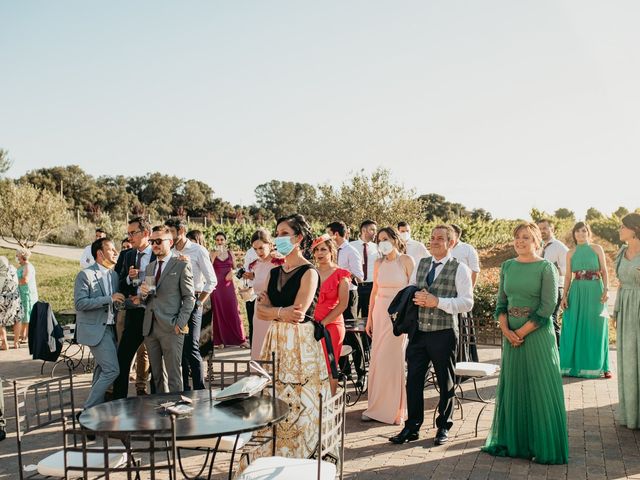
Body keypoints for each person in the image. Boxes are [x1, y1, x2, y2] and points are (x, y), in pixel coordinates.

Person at [482, 222, 568, 464]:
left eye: (526, 237)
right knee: (515, 387)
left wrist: (520, 331)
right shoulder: (507, 266)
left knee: (539, 388)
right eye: (517, 237)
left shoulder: (546, 267)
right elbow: (501, 303)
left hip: (537, 336)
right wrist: (506, 330)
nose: (520, 241)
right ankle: (516, 443)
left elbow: (547, 307)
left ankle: (541, 445)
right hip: (511, 337)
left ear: (536, 241)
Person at [255, 214, 331, 458]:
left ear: (298, 238)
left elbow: (298, 314)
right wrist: (279, 312)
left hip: (301, 344)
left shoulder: (309, 272)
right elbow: (258, 311)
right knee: (273, 397)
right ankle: (274, 455)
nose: (279, 238)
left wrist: (272, 312)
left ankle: (302, 457)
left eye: (284, 233)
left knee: (302, 401)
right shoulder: (274, 273)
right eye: (277, 233)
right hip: (275, 340)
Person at [390, 225, 472, 445]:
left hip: (443, 333)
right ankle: (412, 427)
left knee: (445, 382)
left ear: (451, 243)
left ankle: (443, 426)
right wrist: (415, 295)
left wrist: (438, 302)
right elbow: (411, 287)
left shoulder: (460, 268)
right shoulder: (422, 264)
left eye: (441, 238)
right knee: (413, 381)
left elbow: (468, 302)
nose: (435, 241)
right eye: (432, 237)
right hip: (418, 333)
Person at [363, 227, 414, 424]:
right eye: (379, 239)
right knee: (377, 358)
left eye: (385, 238)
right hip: (379, 313)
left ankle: (394, 410)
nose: (382, 242)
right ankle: (375, 408)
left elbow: (413, 289)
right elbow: (374, 291)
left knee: (392, 360)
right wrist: (369, 319)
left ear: (394, 239)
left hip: (398, 317)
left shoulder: (406, 261)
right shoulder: (378, 263)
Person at [140, 226, 195, 393]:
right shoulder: (150, 268)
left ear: (170, 242)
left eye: (158, 241)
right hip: (150, 327)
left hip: (172, 327)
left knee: (173, 374)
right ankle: (162, 413)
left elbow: (189, 298)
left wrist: (180, 323)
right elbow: (150, 295)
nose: (154, 245)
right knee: (156, 375)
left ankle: (177, 410)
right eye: (152, 241)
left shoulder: (181, 265)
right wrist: (143, 294)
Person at [165, 218, 217, 391]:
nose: (168, 236)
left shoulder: (198, 250)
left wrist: (199, 303)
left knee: (192, 347)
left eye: (170, 232)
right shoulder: (169, 252)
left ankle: (200, 390)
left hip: (193, 301)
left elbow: (212, 280)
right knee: (178, 349)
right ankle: (185, 390)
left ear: (181, 231)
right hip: (173, 304)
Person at [74, 237, 124, 409]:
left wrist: (133, 301)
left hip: (111, 329)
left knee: (101, 370)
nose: (116, 252)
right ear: (100, 253)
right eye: (111, 249)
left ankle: (95, 411)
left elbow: (116, 302)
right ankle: (88, 410)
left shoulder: (114, 275)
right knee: (112, 370)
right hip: (95, 330)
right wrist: (109, 299)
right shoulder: (85, 274)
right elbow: (80, 303)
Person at [559, 222, 610, 378]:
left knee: (596, 326)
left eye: (584, 231)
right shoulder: (570, 253)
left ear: (588, 232)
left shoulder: (597, 249)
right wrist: (565, 295)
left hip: (596, 290)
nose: (581, 234)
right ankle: (573, 366)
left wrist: (606, 289)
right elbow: (568, 276)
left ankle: (600, 366)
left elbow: (604, 271)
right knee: (573, 325)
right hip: (577, 290)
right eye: (577, 231)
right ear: (574, 234)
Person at [113, 216, 154, 399]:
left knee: (156, 363)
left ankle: (160, 404)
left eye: (133, 233)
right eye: (128, 234)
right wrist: (130, 279)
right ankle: (118, 401)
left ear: (146, 233)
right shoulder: (127, 255)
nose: (130, 238)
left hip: (155, 314)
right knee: (122, 359)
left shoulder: (159, 253)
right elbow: (120, 284)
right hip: (134, 314)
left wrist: (145, 284)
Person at [312, 233, 350, 395]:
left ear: (331, 251)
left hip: (332, 326)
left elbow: (343, 304)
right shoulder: (310, 273)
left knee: (329, 365)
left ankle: (329, 403)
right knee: (312, 365)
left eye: (323, 250)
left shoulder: (341, 274)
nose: (320, 253)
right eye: (317, 250)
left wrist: (324, 323)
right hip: (311, 325)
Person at [614, 213, 640, 429]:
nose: (619, 230)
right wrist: (616, 311)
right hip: (626, 309)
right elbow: (621, 285)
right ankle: (632, 414)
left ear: (635, 228)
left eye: (622, 226)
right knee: (628, 359)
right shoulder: (621, 253)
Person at [210, 232, 249, 348]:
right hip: (217, 287)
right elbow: (208, 268)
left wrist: (232, 273)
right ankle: (219, 341)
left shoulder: (230, 253)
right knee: (218, 312)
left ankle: (241, 340)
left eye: (221, 239)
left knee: (233, 310)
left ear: (225, 241)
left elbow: (236, 269)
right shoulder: (212, 253)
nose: (219, 242)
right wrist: (213, 256)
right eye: (217, 240)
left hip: (228, 286)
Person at [246, 229, 280, 360]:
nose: (258, 252)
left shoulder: (280, 263)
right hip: (259, 308)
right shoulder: (255, 265)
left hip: (275, 309)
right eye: (255, 249)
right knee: (259, 343)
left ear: (270, 245)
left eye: (261, 248)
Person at [538, 218, 569, 345]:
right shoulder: (538, 247)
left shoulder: (560, 247)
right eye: (539, 229)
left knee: (552, 320)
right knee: (542, 321)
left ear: (552, 229)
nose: (542, 231)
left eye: (545, 228)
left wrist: (551, 270)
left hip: (556, 288)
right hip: (540, 289)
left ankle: (558, 353)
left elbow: (567, 272)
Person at [349, 220, 378, 318]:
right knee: (352, 317)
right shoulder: (350, 247)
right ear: (364, 230)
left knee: (369, 317)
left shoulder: (378, 248)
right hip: (354, 287)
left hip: (371, 288)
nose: (375, 233)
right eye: (372, 230)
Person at [16, 248, 38, 345]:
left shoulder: (28, 266)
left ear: (22, 257)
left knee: (28, 314)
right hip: (21, 293)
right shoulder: (21, 266)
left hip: (27, 294)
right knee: (24, 314)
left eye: (17, 256)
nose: (16, 257)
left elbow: (25, 280)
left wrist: (14, 282)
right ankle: (22, 334)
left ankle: (27, 336)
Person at [0, 256, 22, 350]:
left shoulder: (1, 272)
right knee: (17, 318)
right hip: (15, 297)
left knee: (0, 321)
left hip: (2, 298)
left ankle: (4, 343)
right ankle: (16, 342)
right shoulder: (13, 268)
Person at [242, 245, 259, 345]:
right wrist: (245, 275)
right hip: (251, 293)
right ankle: (253, 349)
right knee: (252, 322)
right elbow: (246, 269)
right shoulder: (249, 252)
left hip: (263, 294)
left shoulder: (272, 254)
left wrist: (256, 275)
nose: (258, 251)